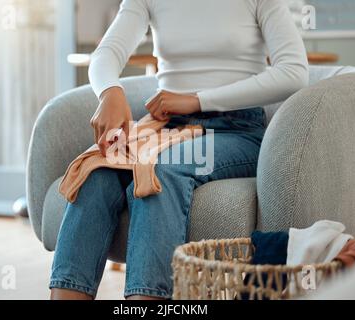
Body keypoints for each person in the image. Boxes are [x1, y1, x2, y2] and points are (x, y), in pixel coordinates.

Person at [50, 0, 309, 300]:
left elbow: (293, 72)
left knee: (159, 171)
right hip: (166, 128)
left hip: (236, 129)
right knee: (96, 170)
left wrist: (198, 100)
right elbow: (107, 52)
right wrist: (110, 91)